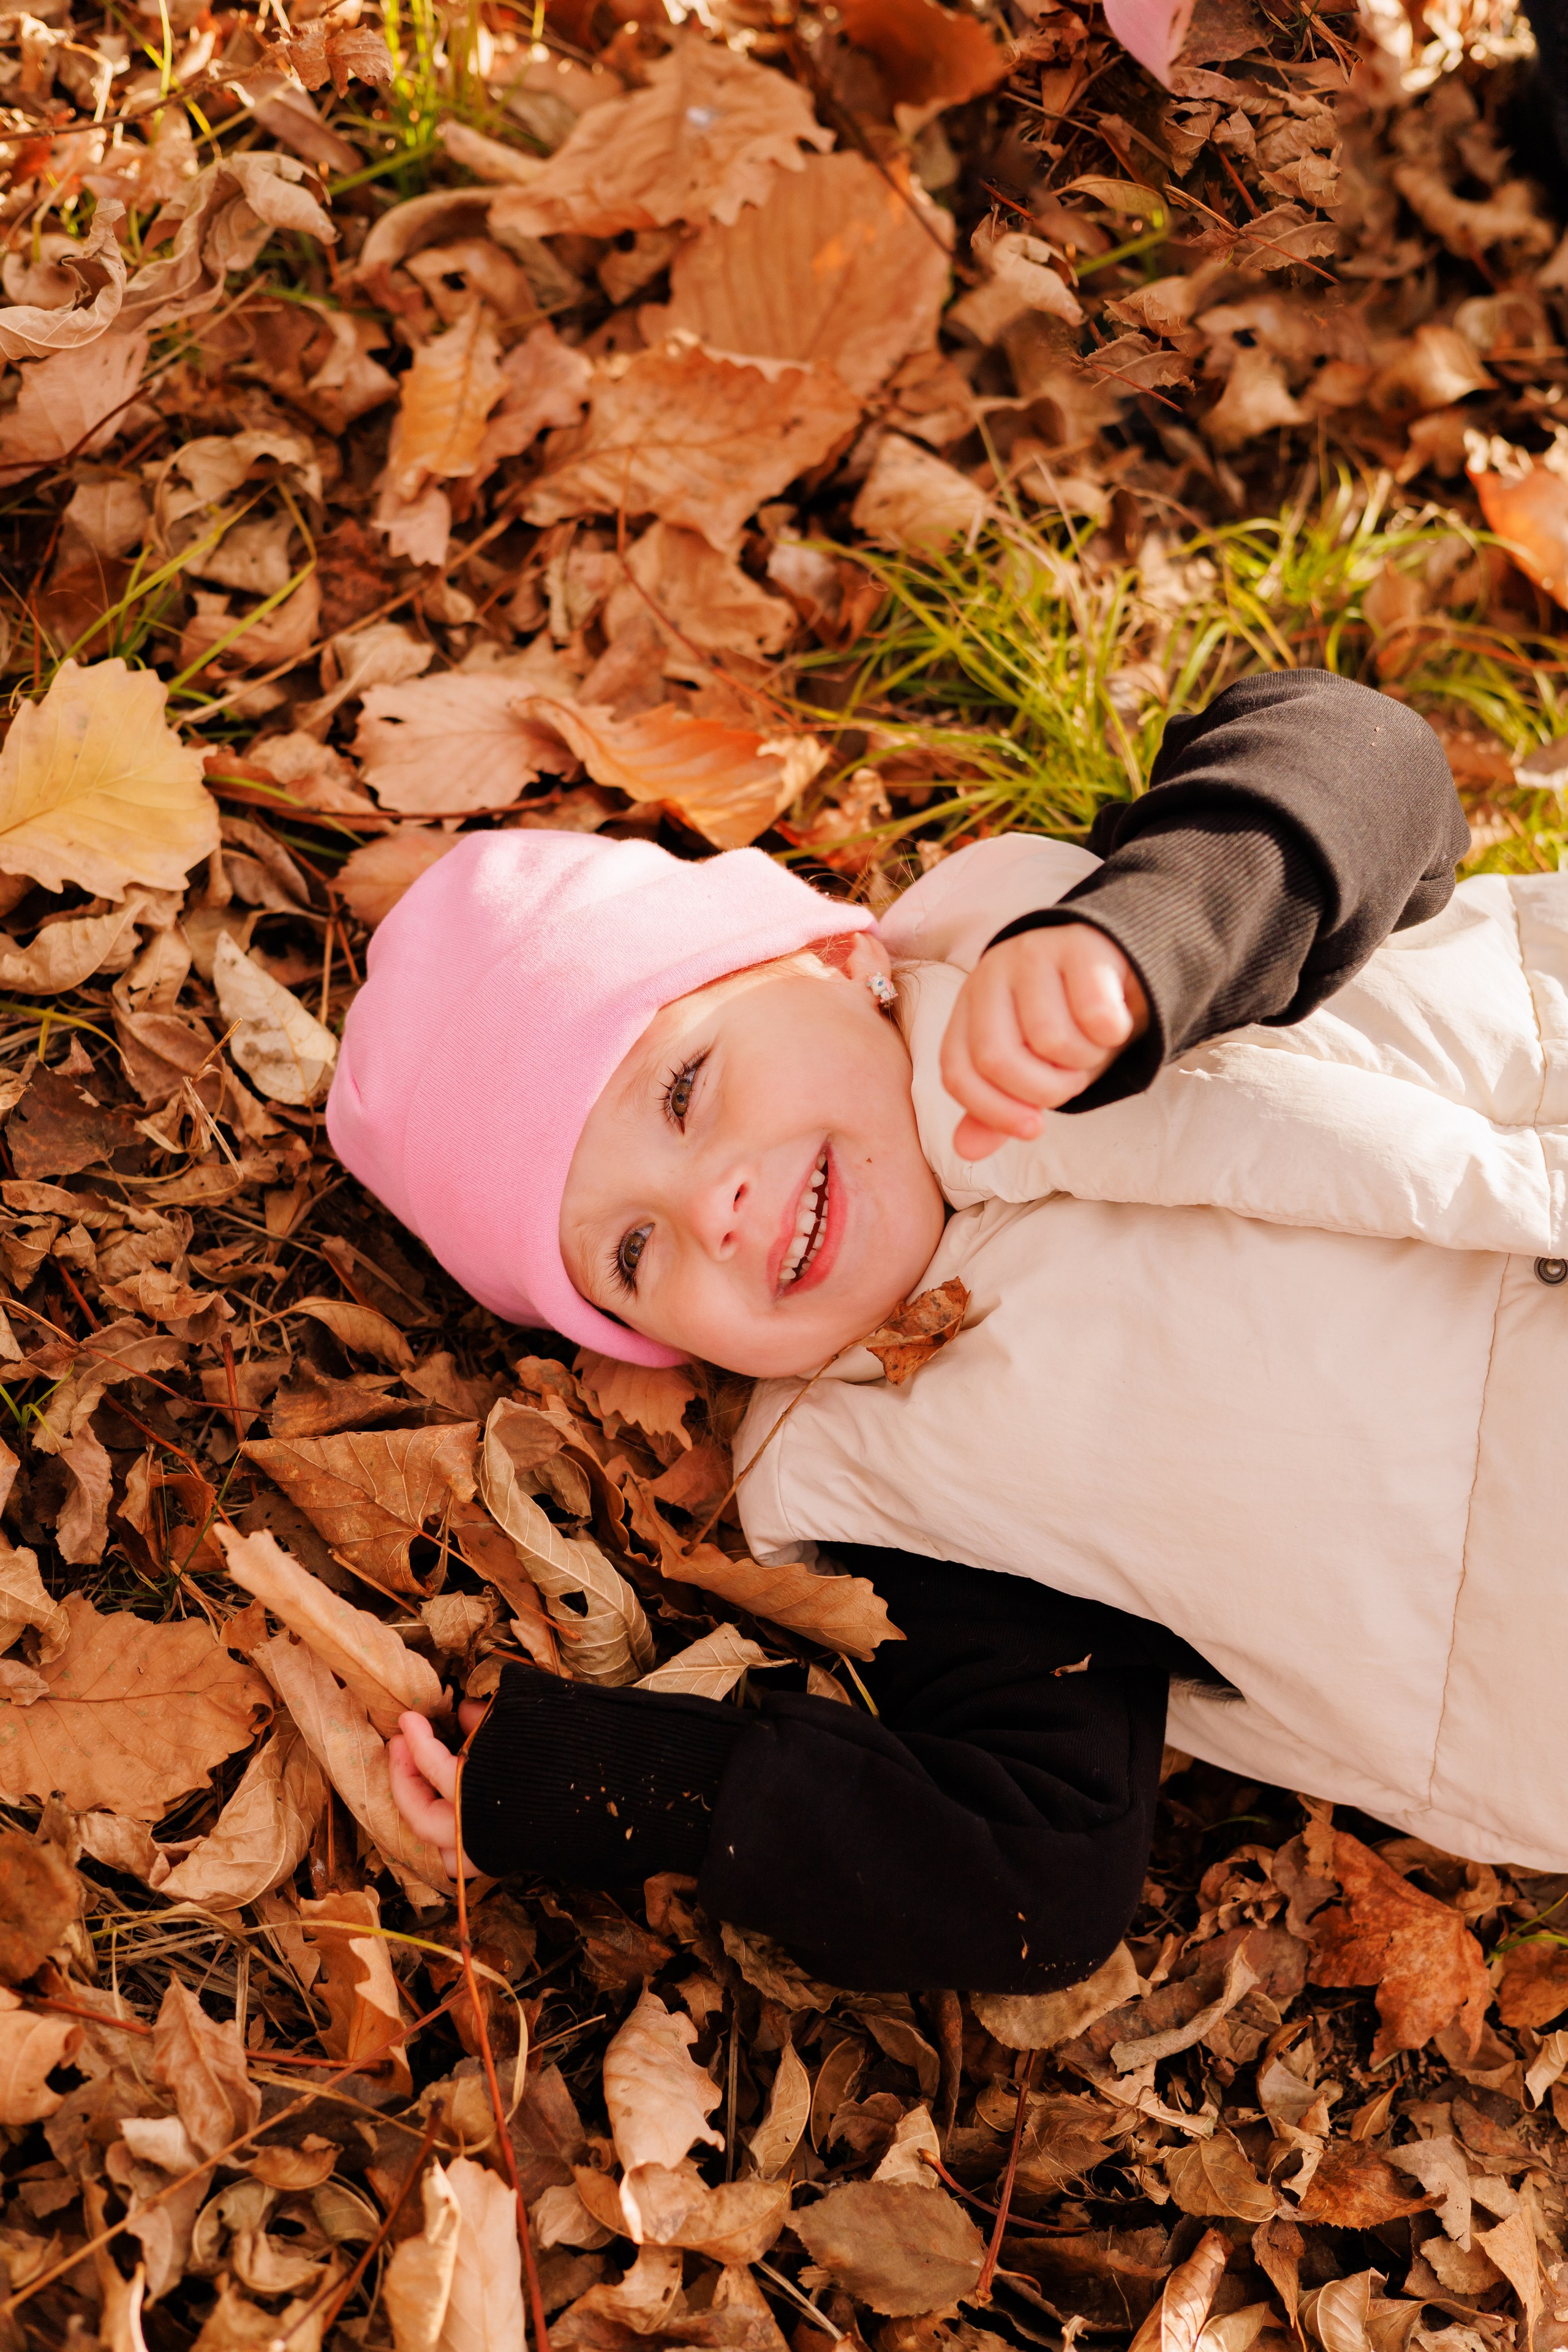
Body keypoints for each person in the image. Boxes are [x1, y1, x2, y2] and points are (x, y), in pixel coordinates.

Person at [328, 669, 1566, 1992]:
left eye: (685, 1090)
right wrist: (644, 1788)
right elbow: (1038, 1869)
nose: (714, 1210)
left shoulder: (1059, 936)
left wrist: (1144, 938)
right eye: (632, 1254)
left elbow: (1376, 762)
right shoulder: (906, 1497)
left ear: (835, 960)